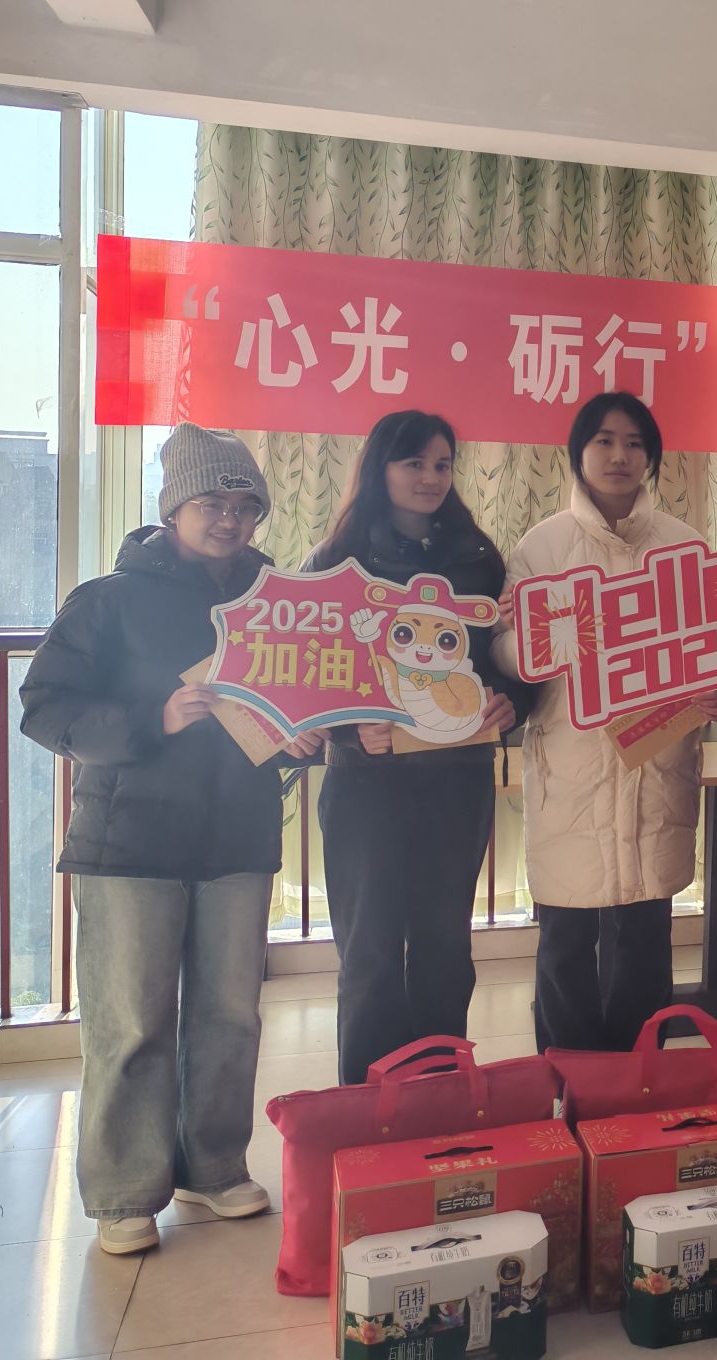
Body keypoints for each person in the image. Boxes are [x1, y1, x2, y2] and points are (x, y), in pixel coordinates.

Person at [19, 425, 324, 1255]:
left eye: (245, 506)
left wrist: (303, 736)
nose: (230, 519)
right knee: (131, 1021)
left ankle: (214, 1166)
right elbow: (44, 706)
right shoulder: (108, 599)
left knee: (231, 1015)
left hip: (237, 835)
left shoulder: (275, 606)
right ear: (173, 508)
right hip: (130, 842)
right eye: (211, 502)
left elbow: (299, 705)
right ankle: (124, 1192)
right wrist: (151, 718)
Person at [303, 411, 530, 1084]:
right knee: (369, 953)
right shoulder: (335, 561)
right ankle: (367, 1108)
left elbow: (509, 660)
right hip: (365, 787)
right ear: (380, 468)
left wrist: (510, 704)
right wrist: (349, 728)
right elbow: (307, 674)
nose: (431, 477)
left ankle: (438, 1098)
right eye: (414, 463)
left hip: (456, 783)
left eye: (442, 464)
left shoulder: (479, 558)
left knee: (443, 949)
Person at [494, 392, 711, 1052]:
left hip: (655, 763)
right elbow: (504, 649)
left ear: (652, 458)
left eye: (635, 444)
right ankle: (569, 1079)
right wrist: (542, 642)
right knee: (565, 938)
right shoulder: (542, 546)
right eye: (604, 441)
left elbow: (711, 644)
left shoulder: (684, 544)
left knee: (645, 934)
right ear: (579, 452)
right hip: (574, 764)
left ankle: (636, 1079)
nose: (620, 456)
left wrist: (711, 684)